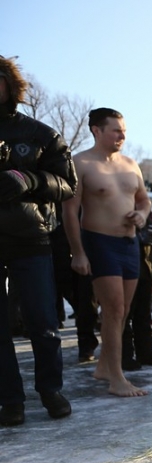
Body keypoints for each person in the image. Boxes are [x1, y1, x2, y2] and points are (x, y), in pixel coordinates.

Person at [0, 55, 76, 426]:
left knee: (42, 321)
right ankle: (10, 400)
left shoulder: (40, 133)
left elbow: (68, 185)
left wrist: (30, 181)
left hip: (32, 238)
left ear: (9, 85)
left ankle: (50, 390)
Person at [63, 107, 150, 397]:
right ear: (96, 130)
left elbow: (144, 202)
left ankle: (103, 366)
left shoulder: (130, 164)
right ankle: (117, 378)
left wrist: (141, 215)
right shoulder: (81, 163)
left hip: (129, 244)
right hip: (99, 242)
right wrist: (78, 252)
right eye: (115, 130)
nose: (122, 135)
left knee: (122, 310)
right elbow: (70, 212)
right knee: (112, 309)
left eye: (124, 130)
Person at [120, 211, 152, 369]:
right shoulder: (120, 205)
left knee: (143, 313)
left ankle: (145, 352)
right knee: (124, 314)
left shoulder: (145, 210)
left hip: (145, 267)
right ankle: (125, 356)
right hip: (126, 267)